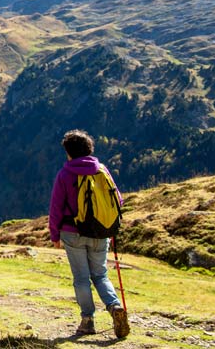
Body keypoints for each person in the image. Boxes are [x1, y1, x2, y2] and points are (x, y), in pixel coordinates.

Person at [49, 129, 130, 338]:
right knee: (101, 274)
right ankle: (114, 307)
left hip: (72, 233)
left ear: (68, 152)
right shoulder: (102, 171)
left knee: (81, 279)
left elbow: (56, 208)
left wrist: (54, 236)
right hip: (100, 232)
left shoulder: (65, 174)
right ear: (89, 149)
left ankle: (87, 321)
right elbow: (118, 200)